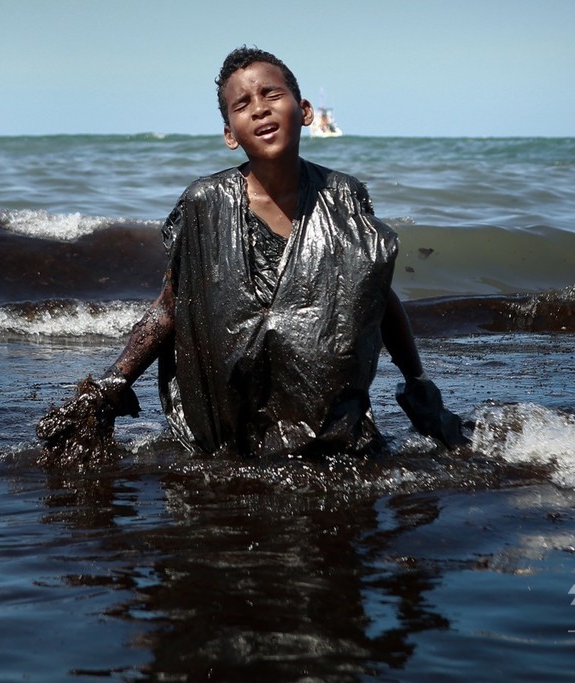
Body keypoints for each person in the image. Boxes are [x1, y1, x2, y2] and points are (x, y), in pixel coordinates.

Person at [38, 46, 467, 462]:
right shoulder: (204, 202)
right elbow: (172, 304)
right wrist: (113, 383)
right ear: (230, 134)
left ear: (304, 111)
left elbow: (375, 294)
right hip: (231, 430)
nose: (259, 108)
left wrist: (417, 382)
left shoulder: (344, 196)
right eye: (242, 104)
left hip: (330, 429)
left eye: (271, 94)